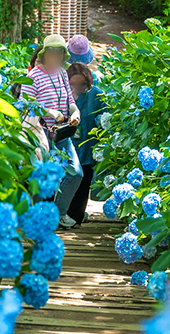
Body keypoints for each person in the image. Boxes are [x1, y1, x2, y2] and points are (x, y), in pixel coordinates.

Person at [19, 34, 83, 222]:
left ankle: (59, 213)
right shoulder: (32, 76)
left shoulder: (63, 73)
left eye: (59, 53)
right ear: (44, 54)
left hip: (61, 132)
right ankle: (37, 219)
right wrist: (49, 112)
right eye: (52, 53)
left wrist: (75, 112)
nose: (55, 57)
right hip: (41, 134)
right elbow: (25, 105)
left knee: (76, 173)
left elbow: (70, 100)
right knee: (42, 177)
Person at [66, 60, 105, 226]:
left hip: (87, 150)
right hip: (66, 150)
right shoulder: (62, 95)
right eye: (73, 83)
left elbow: (105, 121)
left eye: (82, 84)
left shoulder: (97, 95)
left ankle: (76, 219)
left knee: (82, 189)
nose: (77, 87)